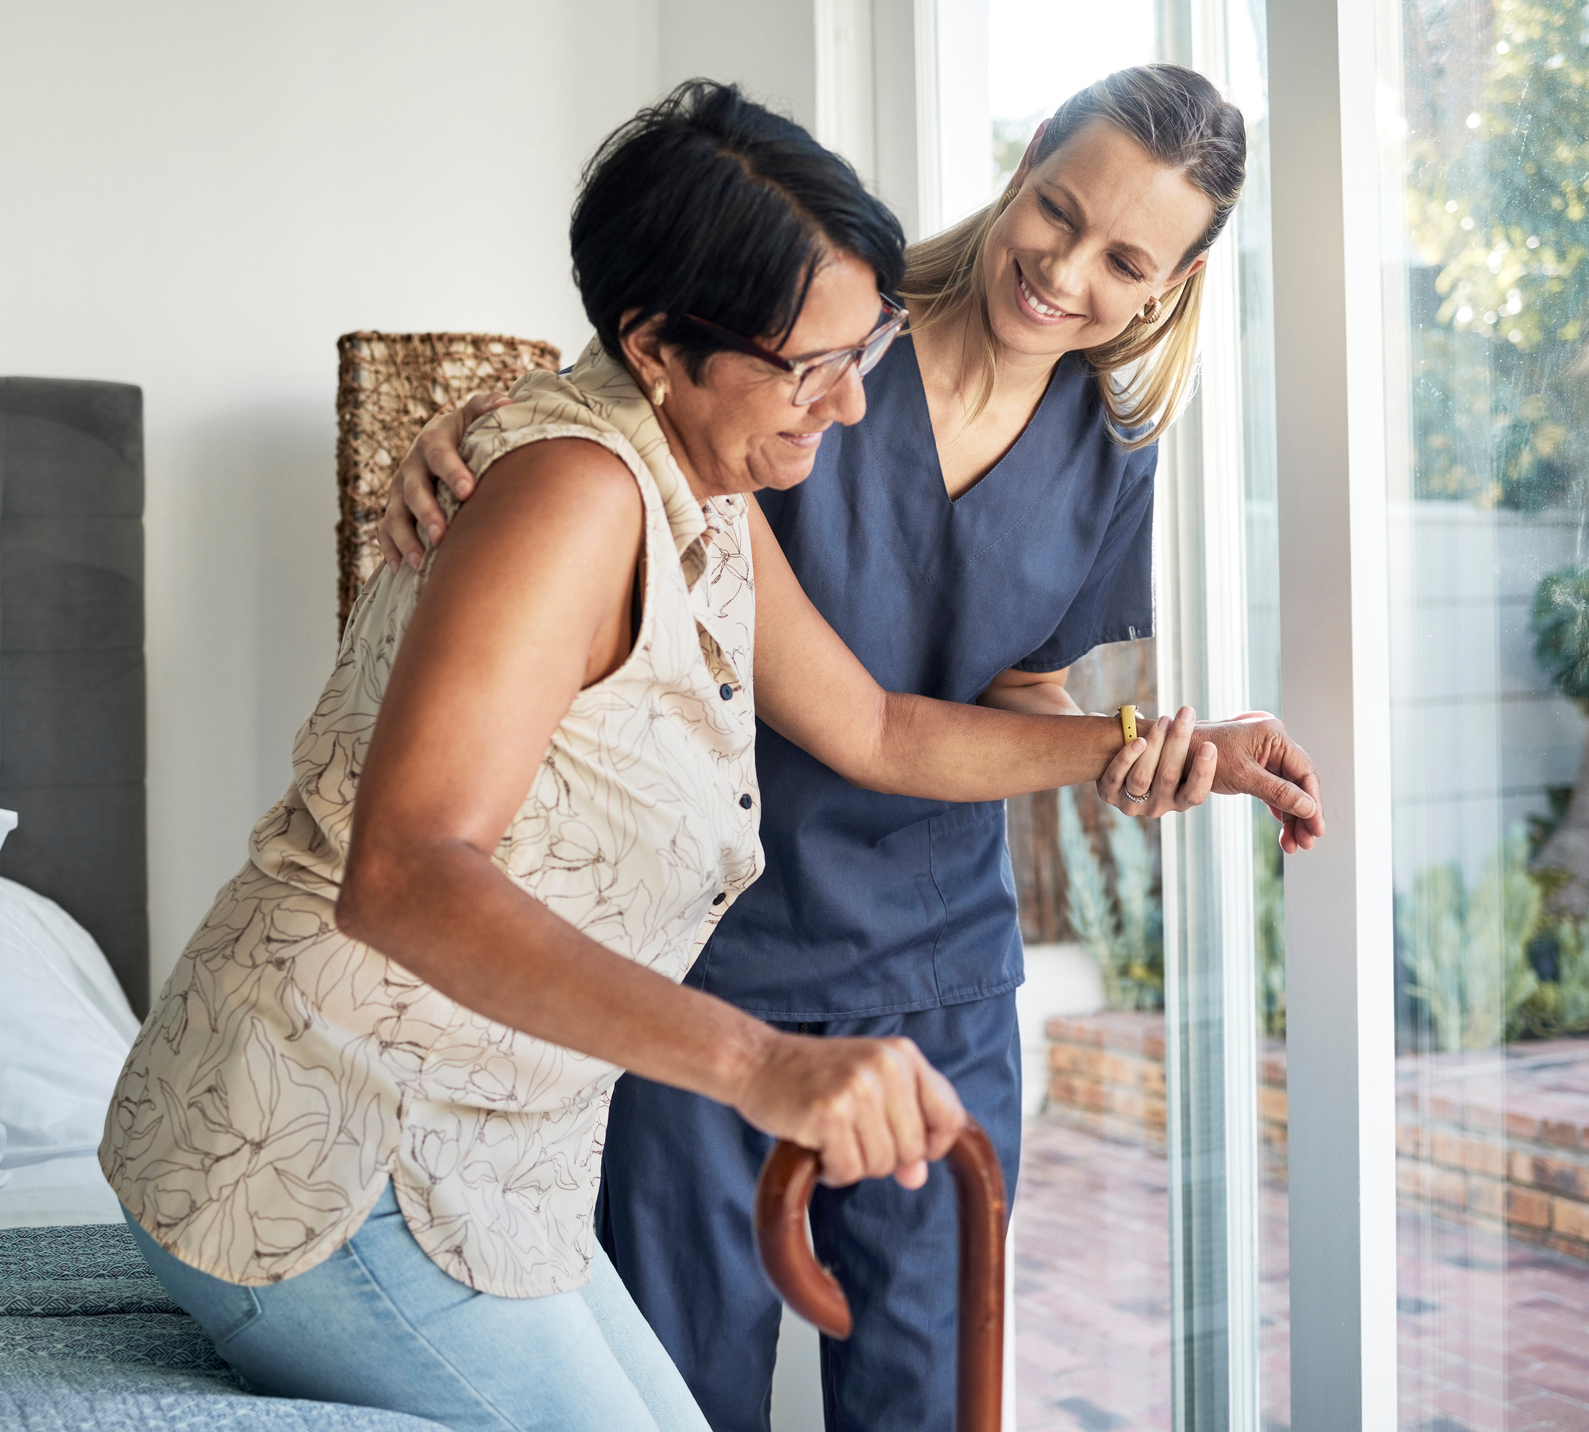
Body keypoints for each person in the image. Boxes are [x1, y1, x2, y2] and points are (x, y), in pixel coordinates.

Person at [101, 81, 1235, 1432]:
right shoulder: (581, 489)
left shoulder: (712, 489)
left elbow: (873, 726)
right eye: (813, 368)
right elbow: (404, 873)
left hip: (505, 1142)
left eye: (859, 353)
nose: (851, 405)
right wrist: (761, 1063)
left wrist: (1157, 748)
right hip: (330, 1139)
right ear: (656, 349)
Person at [381, 66, 1324, 1432]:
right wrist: (471, 429)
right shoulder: (825, 346)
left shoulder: (1114, 455)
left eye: (1126, 262)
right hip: (705, 958)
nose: (1065, 272)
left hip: (936, 974)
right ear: (1025, 164)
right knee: (680, 1397)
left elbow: (1019, 699)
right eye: (1058, 213)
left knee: (929, 1397)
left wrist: (1126, 754)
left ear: (1169, 288)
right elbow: (632, 404)